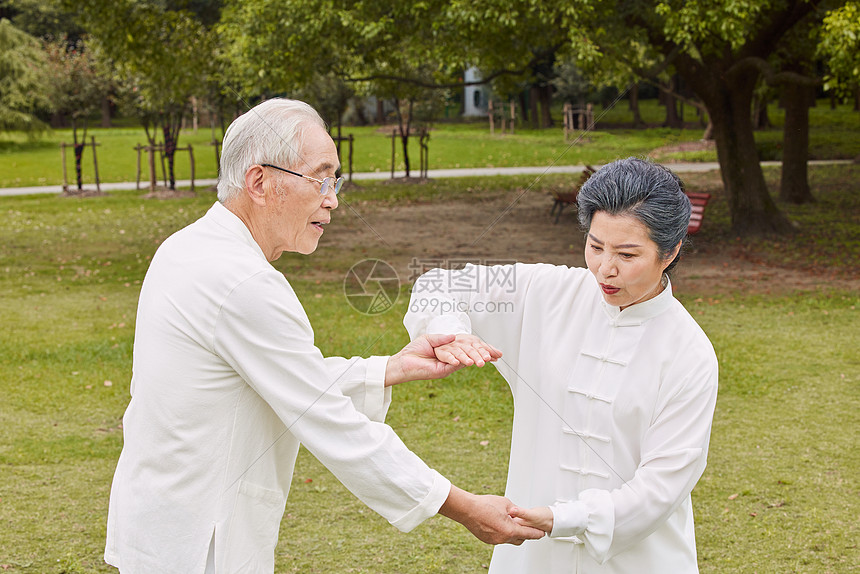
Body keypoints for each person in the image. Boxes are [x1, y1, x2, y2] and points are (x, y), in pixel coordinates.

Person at [104, 98, 542, 573]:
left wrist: (391, 369)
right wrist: (460, 505)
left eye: (335, 180)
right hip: (198, 543)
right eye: (321, 178)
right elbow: (325, 417)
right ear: (260, 182)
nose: (332, 198)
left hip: (162, 526)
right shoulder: (242, 282)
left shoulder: (187, 246)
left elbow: (275, 377)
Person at [404, 158, 719, 573]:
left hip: (639, 560)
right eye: (595, 246)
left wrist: (565, 519)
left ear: (671, 251)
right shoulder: (546, 290)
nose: (605, 269)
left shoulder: (689, 353)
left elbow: (663, 486)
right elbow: (437, 285)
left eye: (627, 254)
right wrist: (451, 330)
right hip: (532, 556)